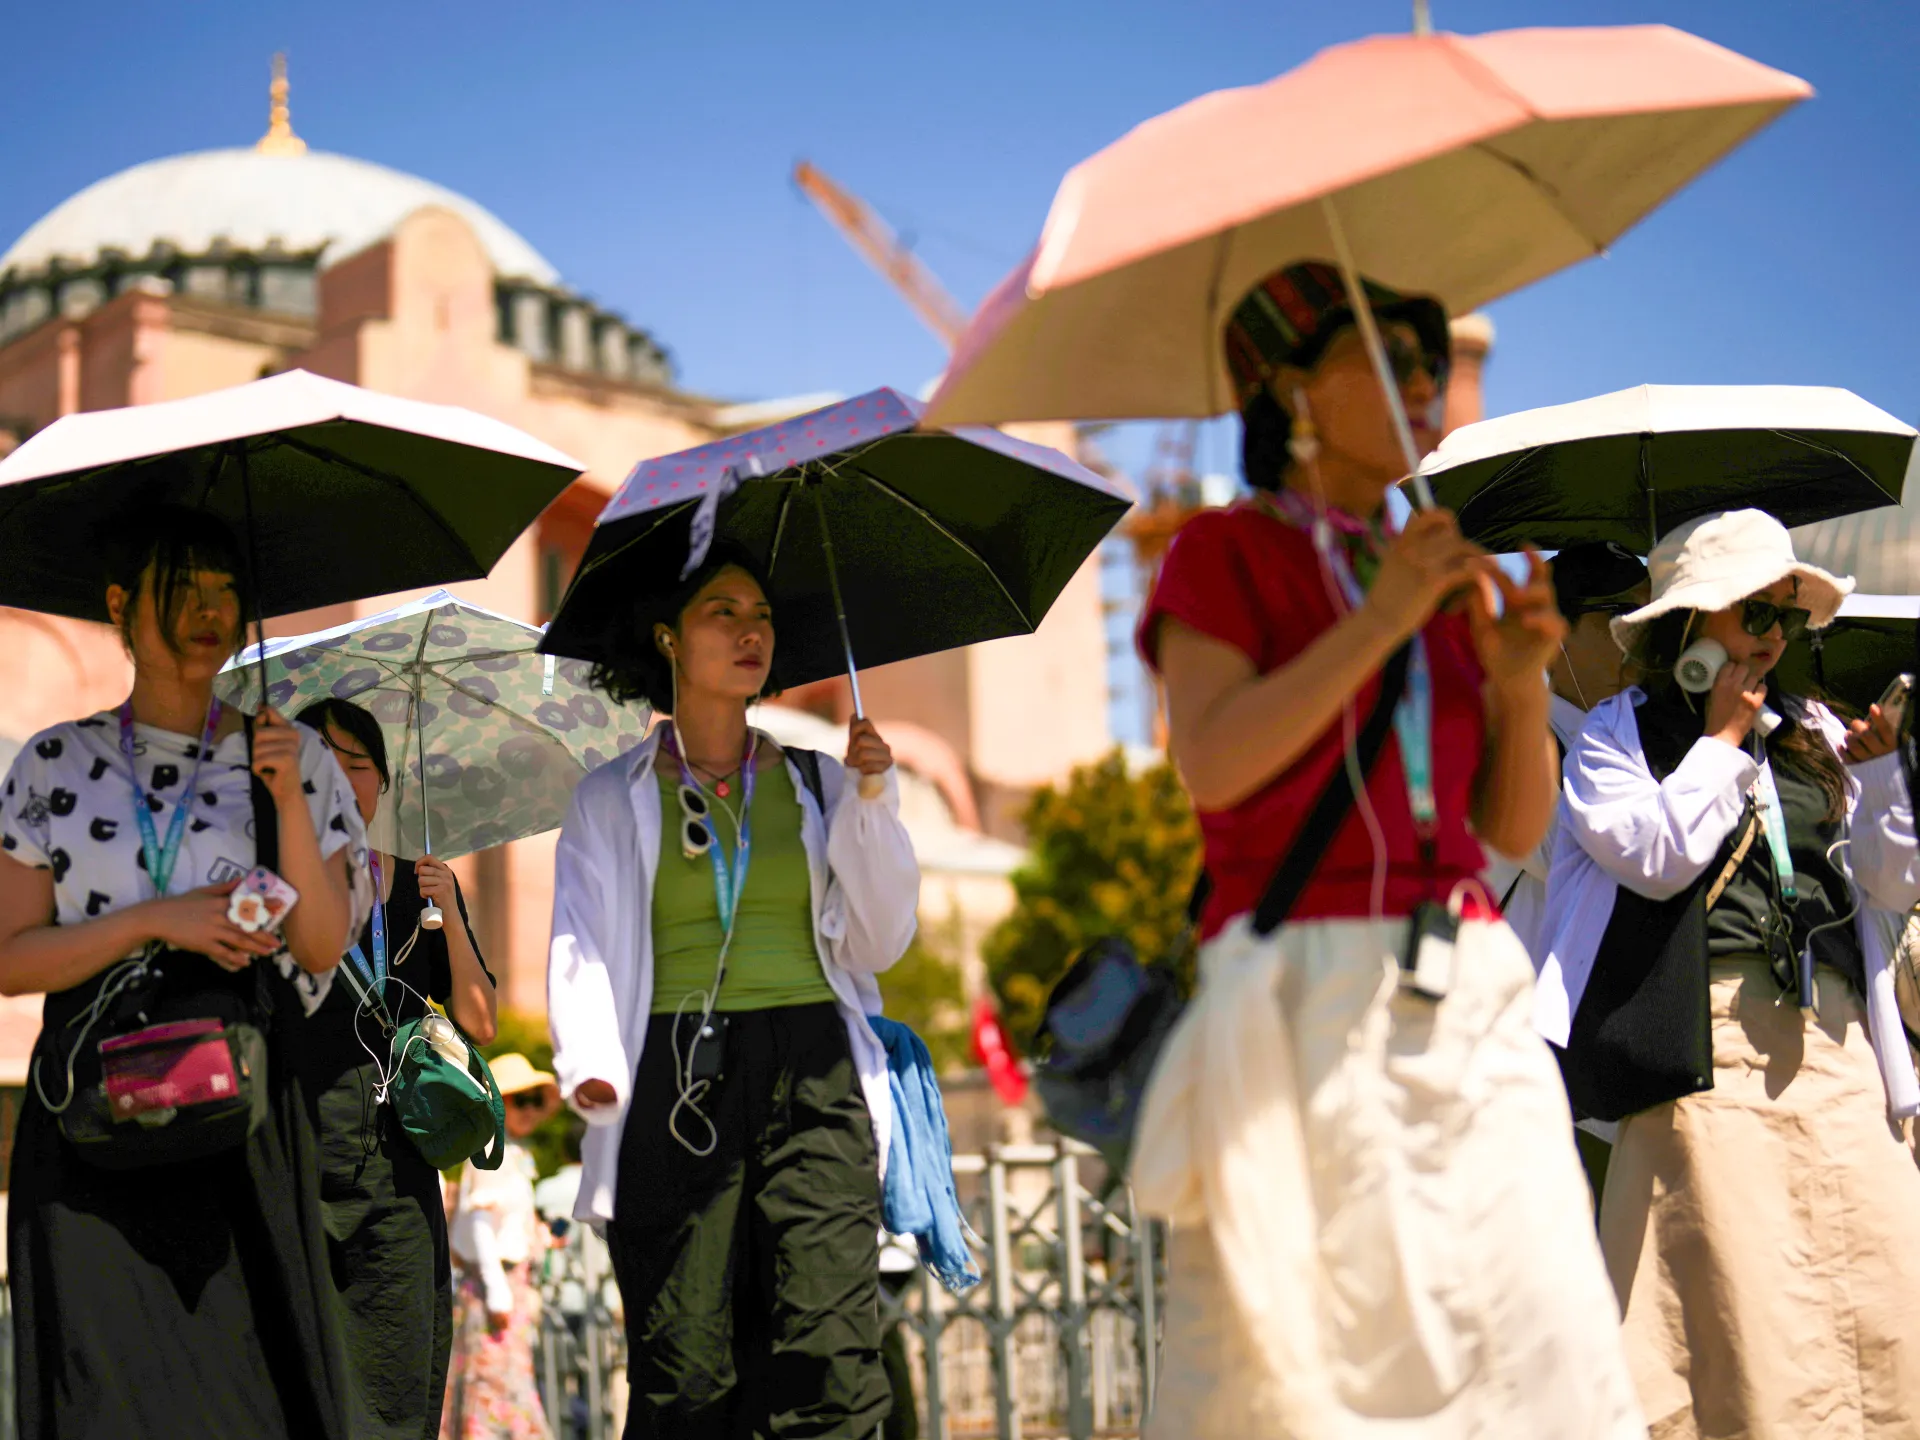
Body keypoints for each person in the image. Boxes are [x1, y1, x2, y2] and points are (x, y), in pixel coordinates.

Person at [1131, 262, 1644, 1438]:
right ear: (1294, 393)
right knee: (1312, 1364)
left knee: (1533, 1342)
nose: (1423, 388)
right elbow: (1211, 763)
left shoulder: (1441, 570)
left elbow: (1510, 834)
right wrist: (1380, 622)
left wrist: (1518, 689)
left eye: (1429, 365)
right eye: (1390, 363)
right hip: (1300, 996)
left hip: (1467, 983)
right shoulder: (1225, 551)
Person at [1539, 508, 1920, 1437]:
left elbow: (1888, 883)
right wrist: (1716, 742)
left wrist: (1883, 783)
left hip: (1836, 1058)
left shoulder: (1813, 729)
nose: (1773, 638)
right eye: (1755, 614)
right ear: (1693, 622)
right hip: (1703, 1067)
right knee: (1735, 1340)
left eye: (1783, 617)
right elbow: (1652, 852)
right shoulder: (1615, 732)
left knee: (1877, 1308)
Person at [0, 507, 370, 1438]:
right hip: (88, 1111)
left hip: (238, 1113)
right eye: (185, 588)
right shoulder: (55, 761)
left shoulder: (293, 756)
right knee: (102, 1393)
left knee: (250, 1391)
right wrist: (155, 922)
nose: (210, 611)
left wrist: (285, 790)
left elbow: (322, 948)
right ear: (123, 605)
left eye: (226, 591)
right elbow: (9, 961)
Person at [547, 545, 919, 1439]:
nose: (751, 629)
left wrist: (873, 799)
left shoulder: (820, 779)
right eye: (723, 610)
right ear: (669, 636)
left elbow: (880, 940)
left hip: (816, 1073)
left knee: (831, 1353)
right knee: (686, 1369)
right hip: (672, 1084)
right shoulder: (610, 797)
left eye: (761, 613)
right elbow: (580, 943)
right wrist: (592, 1066)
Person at [291, 695, 499, 1440]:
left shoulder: (418, 886)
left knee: (397, 1363)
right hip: (300, 1145)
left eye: (359, 763)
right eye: (322, 760)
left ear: (383, 782)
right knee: (301, 1360)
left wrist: (454, 905)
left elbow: (480, 1019)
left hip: (400, 1154)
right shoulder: (274, 884)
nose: (343, 778)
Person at [443, 1053, 558, 1440]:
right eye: (518, 1099)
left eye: (534, 1100)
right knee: (493, 1381)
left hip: (511, 1283)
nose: (528, 1109)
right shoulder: (492, 1149)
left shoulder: (511, 1151)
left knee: (504, 1381)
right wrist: (497, 1291)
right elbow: (479, 1224)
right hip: (496, 1287)